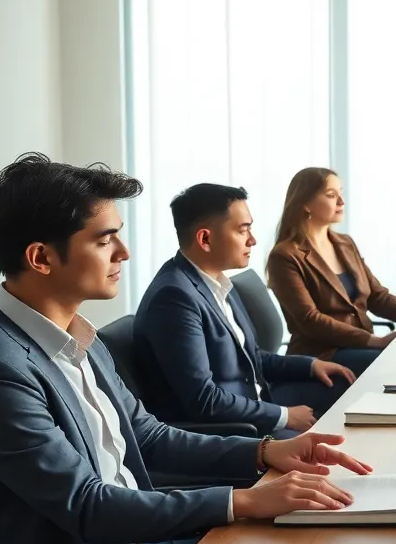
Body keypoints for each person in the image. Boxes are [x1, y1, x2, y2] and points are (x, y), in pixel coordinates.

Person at [0, 154, 371, 544]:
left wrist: (266, 451)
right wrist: (242, 500)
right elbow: (87, 505)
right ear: (41, 257)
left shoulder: (78, 337)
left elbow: (147, 436)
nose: (123, 253)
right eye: (106, 240)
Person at [133, 183, 356, 439]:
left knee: (347, 387)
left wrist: (310, 365)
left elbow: (248, 358)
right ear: (205, 239)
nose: (253, 239)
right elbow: (204, 400)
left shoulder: (218, 282)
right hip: (230, 434)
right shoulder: (174, 299)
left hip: (255, 404)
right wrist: (284, 415)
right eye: (243, 230)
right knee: (332, 447)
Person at [266, 167, 396, 376]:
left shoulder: (345, 243)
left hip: (361, 345)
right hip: (322, 353)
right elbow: (310, 320)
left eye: (341, 193)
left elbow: (377, 296)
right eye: (331, 195)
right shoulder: (285, 256)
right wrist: (375, 341)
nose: (341, 202)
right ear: (305, 204)